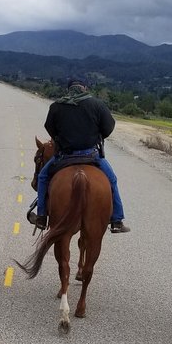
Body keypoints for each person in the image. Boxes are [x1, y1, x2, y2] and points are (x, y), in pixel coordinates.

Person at [26, 77, 131, 234]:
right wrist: (95, 136)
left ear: (69, 89)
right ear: (84, 88)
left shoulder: (57, 106)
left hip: (64, 155)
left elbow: (49, 127)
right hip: (91, 155)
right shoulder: (97, 104)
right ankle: (116, 220)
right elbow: (109, 127)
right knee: (112, 180)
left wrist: (61, 139)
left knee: (42, 178)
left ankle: (41, 217)